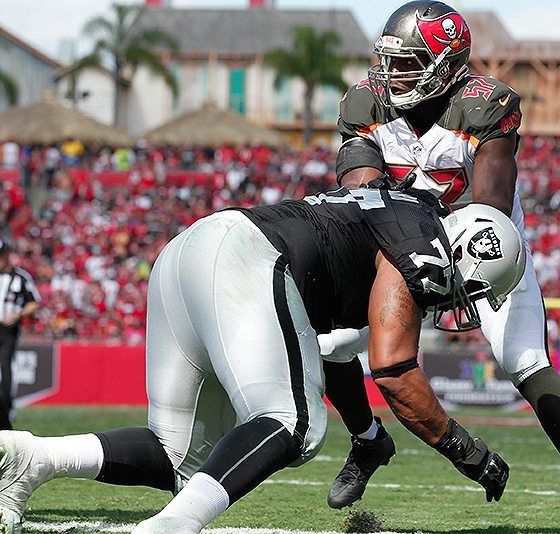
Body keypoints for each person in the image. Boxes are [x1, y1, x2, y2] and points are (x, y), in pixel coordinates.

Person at [0, 187, 524, 534]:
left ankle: (33, 459)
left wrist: (367, 438)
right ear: (463, 251)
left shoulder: (396, 217)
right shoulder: (424, 241)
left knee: (183, 456)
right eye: (468, 288)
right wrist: (470, 454)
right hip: (247, 259)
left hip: (189, 252)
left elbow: (334, 350)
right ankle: (170, 528)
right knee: (292, 423)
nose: (458, 303)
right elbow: (392, 370)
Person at [318, 2, 560, 533]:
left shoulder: (487, 105)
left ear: (444, 63)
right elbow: (363, 189)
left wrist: (465, 270)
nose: (389, 75)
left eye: (406, 63)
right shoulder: (364, 103)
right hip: (404, 243)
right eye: (388, 62)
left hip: (485, 242)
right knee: (327, 344)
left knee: (527, 362)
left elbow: (489, 202)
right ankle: (368, 440)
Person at [0, 239, 40, 430]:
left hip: (8, 329)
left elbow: (33, 302)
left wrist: (17, 314)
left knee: (5, 365)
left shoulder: (21, 277)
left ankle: (7, 407)